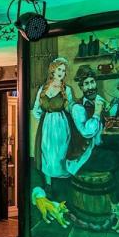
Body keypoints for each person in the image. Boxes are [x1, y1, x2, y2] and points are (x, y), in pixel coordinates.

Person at [30, 57, 75, 223]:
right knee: (47, 153)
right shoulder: (43, 88)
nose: (61, 73)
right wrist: (44, 119)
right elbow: (36, 109)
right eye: (59, 70)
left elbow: (71, 108)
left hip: (62, 125)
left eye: (64, 70)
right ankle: (48, 185)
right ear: (53, 70)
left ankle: (64, 188)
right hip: (47, 126)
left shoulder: (67, 89)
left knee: (61, 153)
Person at [66, 65, 114, 174]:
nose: (91, 87)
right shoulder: (78, 108)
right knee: (117, 158)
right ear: (81, 87)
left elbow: (109, 116)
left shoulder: (97, 101)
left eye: (92, 82)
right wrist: (97, 113)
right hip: (83, 157)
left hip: (97, 148)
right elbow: (87, 132)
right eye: (86, 84)